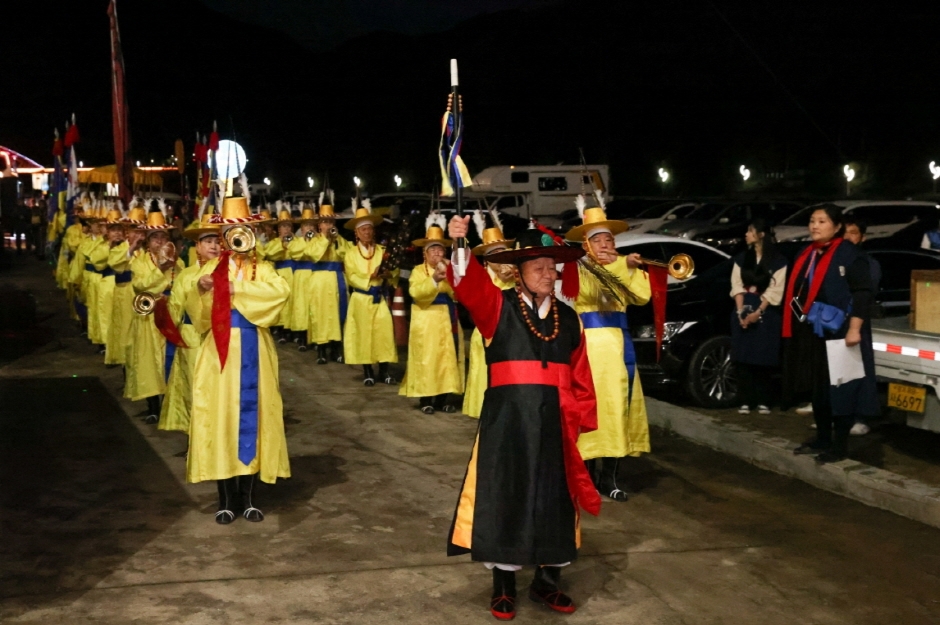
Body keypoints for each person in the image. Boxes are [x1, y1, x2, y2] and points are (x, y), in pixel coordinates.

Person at [445, 215, 600, 620]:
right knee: (506, 497)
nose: (549, 274)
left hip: (556, 422)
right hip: (509, 421)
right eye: (540, 268)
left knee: (555, 500)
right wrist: (461, 244)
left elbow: (580, 374)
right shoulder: (498, 306)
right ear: (520, 272)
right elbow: (467, 284)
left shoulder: (569, 319)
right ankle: (503, 587)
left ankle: (547, 583)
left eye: (553, 267)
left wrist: (579, 418)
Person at [185, 196, 291, 524]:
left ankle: (249, 497)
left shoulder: (264, 268)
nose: (237, 237)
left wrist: (236, 290)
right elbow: (195, 314)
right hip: (219, 350)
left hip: (254, 348)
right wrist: (203, 290)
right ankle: (225, 499)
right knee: (221, 418)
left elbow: (280, 293)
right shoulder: (207, 269)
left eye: (243, 230)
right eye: (230, 231)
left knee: (254, 418)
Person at [565, 192, 651, 503]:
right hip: (588, 350)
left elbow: (642, 296)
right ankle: (584, 478)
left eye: (610, 240)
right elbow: (587, 290)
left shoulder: (623, 267)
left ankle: (610, 479)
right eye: (599, 240)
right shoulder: (579, 268)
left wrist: (626, 267)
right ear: (586, 244)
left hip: (617, 351)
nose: (606, 245)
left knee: (616, 412)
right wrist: (621, 267)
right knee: (589, 411)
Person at [783, 204, 878, 464]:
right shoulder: (807, 253)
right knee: (819, 389)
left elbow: (862, 293)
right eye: (812, 220)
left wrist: (855, 329)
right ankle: (823, 438)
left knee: (842, 389)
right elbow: (796, 291)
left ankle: (839, 445)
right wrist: (798, 317)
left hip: (841, 332)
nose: (815, 226)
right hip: (813, 331)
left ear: (837, 227)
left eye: (822, 221)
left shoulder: (848, 254)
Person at [158, 212, 221, 435]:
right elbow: (175, 308)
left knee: (217, 387)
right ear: (198, 245)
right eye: (208, 241)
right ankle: (194, 437)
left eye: (217, 241)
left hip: (219, 335)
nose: (214, 246)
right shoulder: (186, 275)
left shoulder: (228, 271)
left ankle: (216, 437)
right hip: (191, 336)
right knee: (192, 386)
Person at [124, 203, 183, 424]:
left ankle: (170, 404)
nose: (159, 242)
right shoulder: (139, 262)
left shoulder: (178, 261)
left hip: (171, 315)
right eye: (155, 237)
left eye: (163, 237)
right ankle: (153, 406)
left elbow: (182, 286)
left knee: (170, 360)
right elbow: (141, 286)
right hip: (149, 317)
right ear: (147, 241)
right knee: (150, 362)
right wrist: (160, 271)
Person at [399, 217, 464, 413]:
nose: (437, 253)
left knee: (447, 359)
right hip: (426, 320)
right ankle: (426, 399)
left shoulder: (450, 270)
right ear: (425, 254)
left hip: (447, 318)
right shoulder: (419, 271)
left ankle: (444, 398)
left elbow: (458, 294)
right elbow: (416, 293)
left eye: (440, 250)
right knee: (427, 359)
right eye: (433, 250)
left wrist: (452, 275)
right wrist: (434, 280)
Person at [729, 218, 787, 415]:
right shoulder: (741, 258)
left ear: (761, 234)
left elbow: (775, 290)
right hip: (743, 306)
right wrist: (740, 312)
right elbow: (736, 285)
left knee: (763, 358)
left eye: (750, 231)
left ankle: (764, 399)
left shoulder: (778, 261)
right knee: (743, 357)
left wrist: (758, 312)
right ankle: (745, 399)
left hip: (767, 311)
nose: (746, 234)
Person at [462, 211, 515, 418]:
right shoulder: (481, 278)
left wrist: (515, 278)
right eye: (494, 254)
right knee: (486, 381)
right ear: (486, 258)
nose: (500, 258)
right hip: (488, 336)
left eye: (503, 252)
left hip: (513, 336)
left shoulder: (517, 275)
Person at [343, 199, 398, 385]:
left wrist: (388, 274)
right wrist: (369, 278)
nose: (367, 232)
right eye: (363, 229)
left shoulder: (382, 251)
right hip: (361, 298)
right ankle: (368, 371)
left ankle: (385, 370)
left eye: (369, 229)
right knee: (364, 334)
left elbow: (393, 272)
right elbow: (351, 276)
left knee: (383, 332)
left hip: (379, 297)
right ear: (357, 233)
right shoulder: (350, 254)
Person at [842, 217, 881, 436]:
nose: (848, 237)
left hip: (858, 322)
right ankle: (841, 416)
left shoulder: (867, 263)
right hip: (838, 323)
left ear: (862, 238)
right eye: (845, 232)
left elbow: (866, 293)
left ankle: (861, 417)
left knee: (860, 371)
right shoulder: (837, 259)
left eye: (853, 233)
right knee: (841, 373)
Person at [306, 191, 351, 364]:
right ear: (319, 225)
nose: (328, 225)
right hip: (320, 282)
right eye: (325, 222)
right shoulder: (314, 240)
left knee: (338, 313)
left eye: (330, 221)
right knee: (321, 315)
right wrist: (325, 239)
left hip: (337, 279)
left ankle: (337, 349)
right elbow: (314, 255)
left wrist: (335, 240)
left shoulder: (339, 239)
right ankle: (321, 350)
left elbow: (346, 255)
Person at [105, 205, 146, 368]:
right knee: (125, 329)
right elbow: (114, 264)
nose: (137, 234)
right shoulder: (120, 248)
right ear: (127, 231)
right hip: (125, 293)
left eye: (140, 230)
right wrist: (131, 249)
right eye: (133, 230)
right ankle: (125, 364)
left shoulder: (148, 249)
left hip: (144, 294)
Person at [262, 203, 297, 343]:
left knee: (294, 302)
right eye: (283, 226)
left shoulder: (298, 240)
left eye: (288, 226)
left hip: (294, 273)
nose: (286, 229)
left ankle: (294, 330)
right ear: (279, 228)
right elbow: (269, 253)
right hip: (280, 273)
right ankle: (281, 329)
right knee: (282, 302)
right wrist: (282, 243)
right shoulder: (274, 242)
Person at [288, 203, 317, 351]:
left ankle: (317, 338)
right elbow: (296, 254)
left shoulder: (320, 241)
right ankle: (302, 338)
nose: (309, 229)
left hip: (315, 274)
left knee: (316, 307)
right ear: (302, 228)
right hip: (301, 277)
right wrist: (307, 243)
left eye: (312, 225)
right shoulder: (296, 242)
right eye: (306, 226)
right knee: (302, 307)